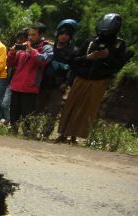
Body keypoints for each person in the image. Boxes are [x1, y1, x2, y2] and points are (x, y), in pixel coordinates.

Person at [56, 13, 127, 144]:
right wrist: (88, 58)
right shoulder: (90, 41)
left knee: (87, 109)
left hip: (99, 82)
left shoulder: (119, 45)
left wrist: (108, 57)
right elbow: (74, 60)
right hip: (81, 79)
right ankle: (62, 134)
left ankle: (74, 137)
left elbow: (118, 65)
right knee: (70, 106)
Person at [7, 22, 54, 135]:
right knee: (14, 114)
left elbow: (45, 60)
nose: (30, 37)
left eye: (33, 35)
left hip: (30, 87)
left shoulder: (46, 47)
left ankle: (27, 135)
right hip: (16, 85)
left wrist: (32, 51)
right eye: (29, 34)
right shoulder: (23, 46)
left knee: (27, 116)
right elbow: (11, 63)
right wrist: (12, 53)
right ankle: (12, 133)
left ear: (41, 35)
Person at [37, 19, 78, 139]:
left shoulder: (73, 51)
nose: (64, 37)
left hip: (58, 85)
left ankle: (45, 133)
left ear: (70, 37)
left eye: (67, 35)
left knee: (53, 111)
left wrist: (67, 83)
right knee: (37, 107)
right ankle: (33, 130)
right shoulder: (49, 47)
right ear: (58, 34)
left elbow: (73, 69)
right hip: (43, 82)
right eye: (62, 34)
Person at [0, 29, 28, 124]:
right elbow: (9, 64)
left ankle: (13, 123)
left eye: (22, 39)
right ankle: (9, 121)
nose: (19, 42)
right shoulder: (15, 51)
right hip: (11, 82)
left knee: (18, 107)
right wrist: (12, 53)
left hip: (24, 84)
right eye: (18, 39)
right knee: (5, 104)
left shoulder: (30, 52)